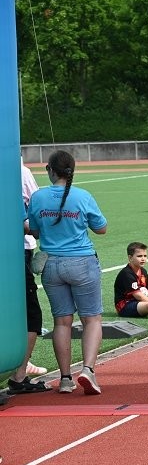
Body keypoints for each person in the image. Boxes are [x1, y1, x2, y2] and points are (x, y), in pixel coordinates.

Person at [28, 150, 107, 395]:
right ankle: (88, 370)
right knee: (91, 319)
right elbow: (101, 228)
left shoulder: (38, 197)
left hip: (51, 264)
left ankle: (64, 378)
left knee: (62, 322)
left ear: (50, 170)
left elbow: (35, 231)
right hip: (82, 262)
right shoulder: (82, 195)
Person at [8, 162, 50, 394]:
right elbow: (34, 208)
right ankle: (19, 373)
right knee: (31, 315)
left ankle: (20, 366)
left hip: (17, 251)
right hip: (14, 252)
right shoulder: (18, 171)